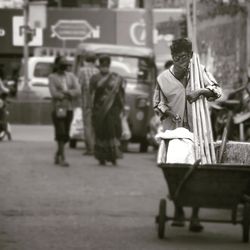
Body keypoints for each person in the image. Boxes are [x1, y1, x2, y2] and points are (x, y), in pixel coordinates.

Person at [153, 38, 222, 232]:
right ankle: (178, 211)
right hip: (174, 135)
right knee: (175, 173)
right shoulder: (163, 78)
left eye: (183, 57)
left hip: (198, 133)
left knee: (199, 175)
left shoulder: (200, 73)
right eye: (175, 58)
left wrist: (200, 92)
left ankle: (195, 217)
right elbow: (157, 102)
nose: (179, 61)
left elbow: (218, 91)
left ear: (190, 56)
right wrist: (167, 112)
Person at [90, 55, 125, 166]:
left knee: (113, 131)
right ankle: (102, 157)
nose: (104, 68)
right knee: (101, 132)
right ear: (99, 66)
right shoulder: (94, 78)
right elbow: (92, 93)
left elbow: (120, 93)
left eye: (106, 66)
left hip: (113, 109)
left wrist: (122, 107)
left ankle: (113, 156)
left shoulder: (115, 78)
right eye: (102, 66)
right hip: (99, 109)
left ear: (109, 66)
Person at [49, 55, 81, 167]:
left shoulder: (71, 76)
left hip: (69, 108)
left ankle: (58, 154)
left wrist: (66, 93)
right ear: (57, 65)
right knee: (60, 132)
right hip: (58, 108)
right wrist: (68, 93)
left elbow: (78, 90)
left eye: (66, 64)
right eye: (62, 64)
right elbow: (54, 93)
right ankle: (63, 157)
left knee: (66, 135)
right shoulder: (52, 77)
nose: (65, 67)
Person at [78, 52, 99, 155]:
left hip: (86, 101)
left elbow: (80, 85)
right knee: (95, 125)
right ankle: (95, 146)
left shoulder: (82, 71)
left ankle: (90, 148)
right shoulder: (97, 71)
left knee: (87, 125)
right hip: (97, 102)